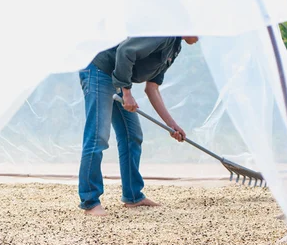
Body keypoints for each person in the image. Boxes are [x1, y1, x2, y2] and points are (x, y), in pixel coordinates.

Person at [78, 36, 199, 216]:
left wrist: (172, 125)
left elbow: (152, 88)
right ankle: (90, 201)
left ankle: (133, 196)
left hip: (116, 78)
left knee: (132, 135)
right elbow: (125, 51)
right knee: (98, 137)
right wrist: (126, 92)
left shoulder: (174, 48)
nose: (199, 36)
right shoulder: (163, 34)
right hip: (99, 71)